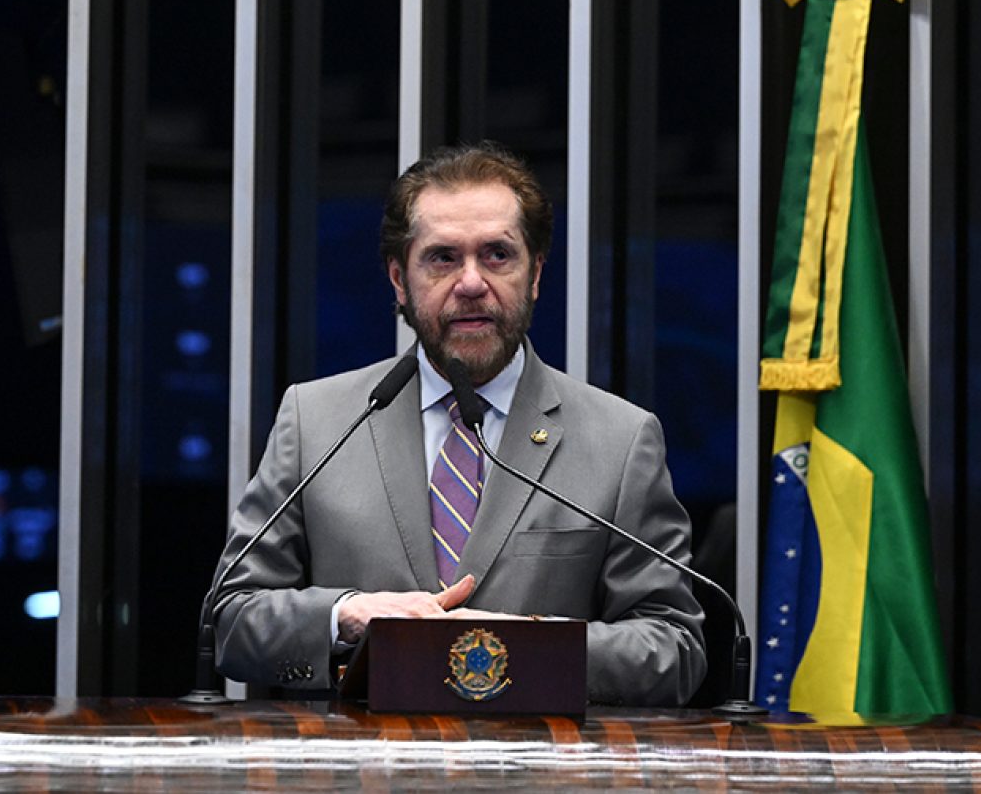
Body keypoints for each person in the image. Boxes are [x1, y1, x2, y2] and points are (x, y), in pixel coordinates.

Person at [211, 141, 706, 706]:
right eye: (443, 258)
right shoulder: (318, 420)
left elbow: (675, 648)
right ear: (399, 280)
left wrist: (529, 647)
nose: (471, 282)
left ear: (536, 272)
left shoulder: (619, 440)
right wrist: (344, 615)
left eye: (497, 254)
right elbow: (231, 618)